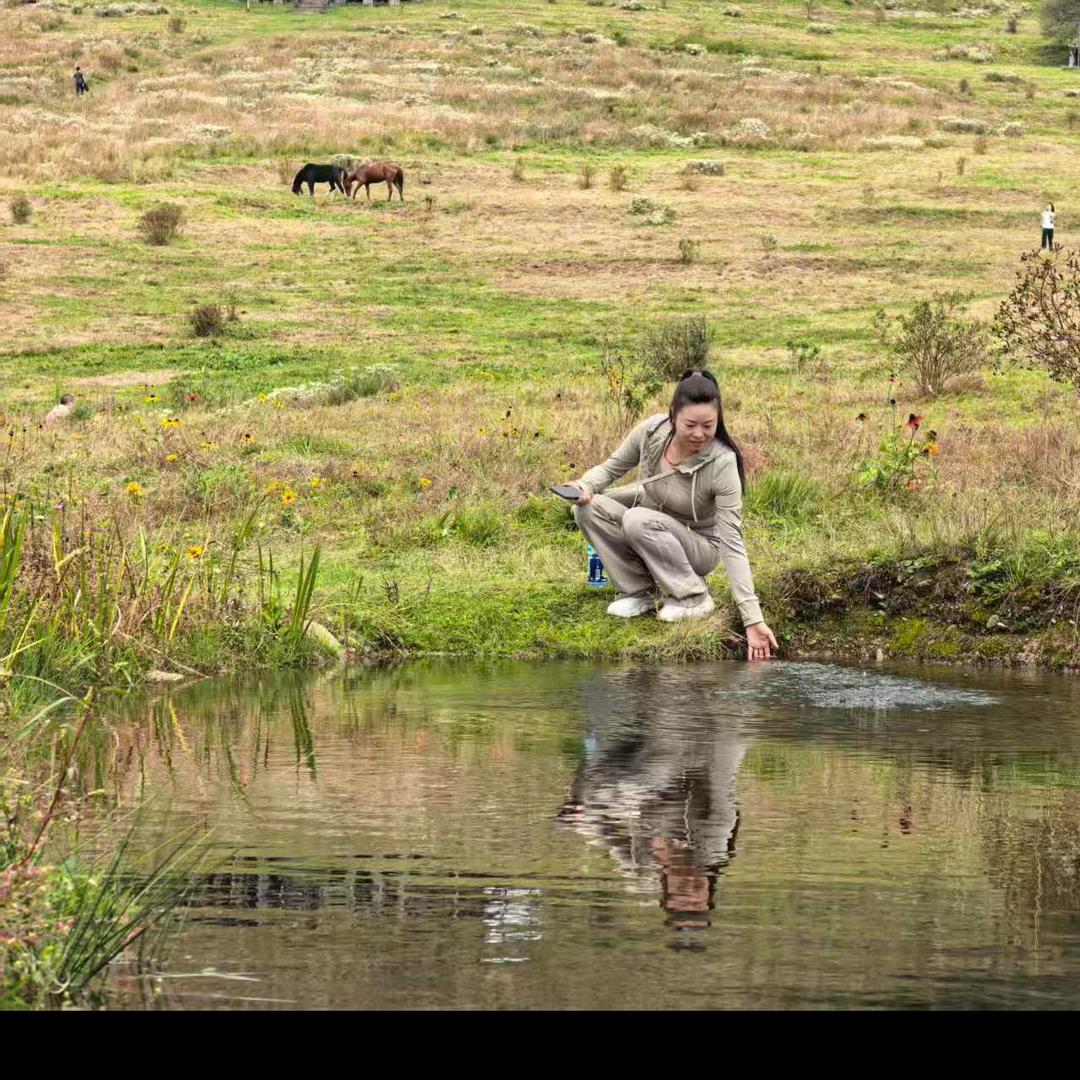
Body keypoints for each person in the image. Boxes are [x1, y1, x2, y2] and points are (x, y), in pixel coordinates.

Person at [569, 368, 777, 660]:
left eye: (709, 425)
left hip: (700, 548)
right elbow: (611, 467)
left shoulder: (723, 463)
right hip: (649, 528)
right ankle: (640, 591)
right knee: (587, 509)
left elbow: (732, 543)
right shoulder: (652, 432)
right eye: (690, 424)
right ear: (672, 415)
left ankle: (693, 596)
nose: (699, 434)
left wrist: (752, 619)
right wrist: (583, 486)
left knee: (637, 518)